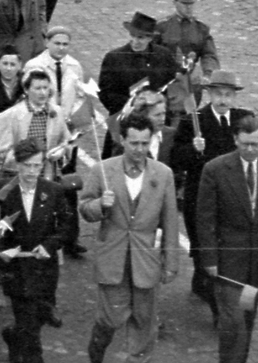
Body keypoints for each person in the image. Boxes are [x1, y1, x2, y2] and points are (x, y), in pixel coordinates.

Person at [80, 113, 180, 363]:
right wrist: (100, 206)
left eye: (145, 143)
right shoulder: (103, 170)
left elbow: (170, 221)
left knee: (144, 321)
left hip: (146, 260)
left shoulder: (163, 174)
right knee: (111, 318)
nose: (140, 149)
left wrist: (171, 263)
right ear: (122, 140)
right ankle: (98, 344)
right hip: (112, 258)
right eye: (134, 143)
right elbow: (84, 208)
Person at [195, 116, 258, 363]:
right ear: (235, 140)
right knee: (233, 320)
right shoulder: (215, 170)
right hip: (227, 260)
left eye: (255, 145)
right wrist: (209, 258)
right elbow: (205, 218)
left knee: (247, 317)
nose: (250, 150)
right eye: (245, 144)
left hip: (256, 261)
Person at [168, 69, 253, 314]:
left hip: (232, 197)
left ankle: (209, 288)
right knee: (204, 247)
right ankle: (214, 301)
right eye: (218, 94)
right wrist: (193, 150)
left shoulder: (244, 119)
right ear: (209, 95)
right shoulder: (193, 120)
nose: (223, 100)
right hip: (202, 198)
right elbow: (176, 160)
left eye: (228, 95)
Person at [0, 140, 75, 363]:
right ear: (17, 165)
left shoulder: (54, 191)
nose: (32, 171)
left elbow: (67, 227)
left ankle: (12, 335)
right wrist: (4, 253)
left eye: (37, 166)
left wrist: (49, 246)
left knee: (37, 318)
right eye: (27, 166)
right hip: (17, 270)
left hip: (44, 270)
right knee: (31, 333)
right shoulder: (4, 194)